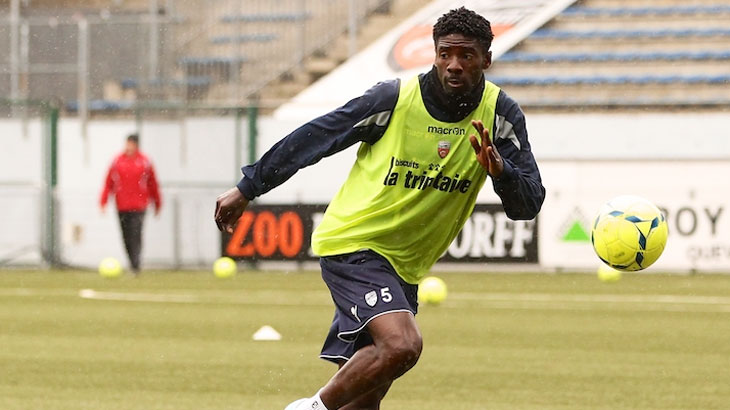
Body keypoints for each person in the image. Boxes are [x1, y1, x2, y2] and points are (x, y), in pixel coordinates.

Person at [215, 7, 545, 409]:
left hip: (403, 267)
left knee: (364, 399)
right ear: (434, 54)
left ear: (487, 59)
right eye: (445, 54)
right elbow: (318, 136)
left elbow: (528, 204)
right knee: (402, 345)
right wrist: (249, 186)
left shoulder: (500, 116)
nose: (454, 65)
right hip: (355, 243)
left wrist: (501, 172)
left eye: (466, 55)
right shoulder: (394, 99)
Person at [100, 133, 161, 274]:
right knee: (126, 236)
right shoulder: (117, 161)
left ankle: (135, 264)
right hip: (122, 205)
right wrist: (103, 201)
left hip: (139, 206)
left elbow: (153, 184)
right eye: (127, 143)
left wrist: (157, 203)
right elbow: (109, 182)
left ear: (136, 145)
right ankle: (132, 263)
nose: (128, 146)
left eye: (131, 144)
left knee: (136, 234)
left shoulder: (145, 161)